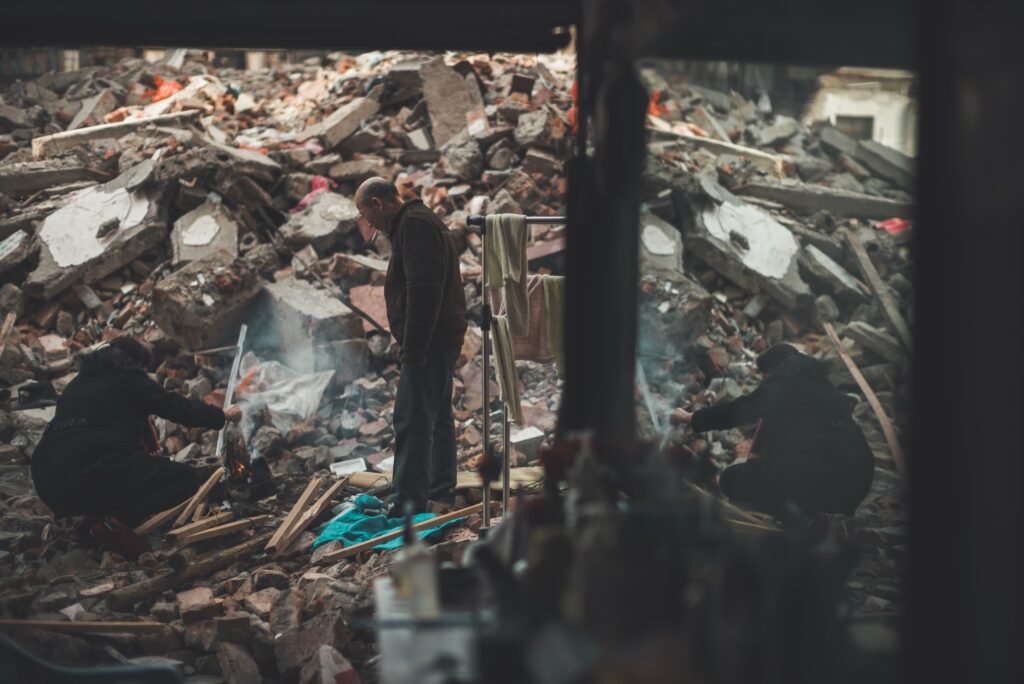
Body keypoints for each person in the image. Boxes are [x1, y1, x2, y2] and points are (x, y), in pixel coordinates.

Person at [30, 336, 242, 556]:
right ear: (134, 362)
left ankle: (87, 527)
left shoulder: (76, 385)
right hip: (91, 470)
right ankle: (114, 524)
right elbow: (176, 407)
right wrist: (222, 415)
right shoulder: (127, 377)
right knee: (185, 478)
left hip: (48, 481)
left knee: (117, 469)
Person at [355, 178, 468, 514]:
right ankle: (440, 492)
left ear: (378, 203)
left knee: (412, 418)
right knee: (437, 416)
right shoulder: (416, 221)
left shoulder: (414, 225)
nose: (369, 225)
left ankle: (407, 501)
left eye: (366, 214)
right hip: (439, 338)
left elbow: (424, 292)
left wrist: (413, 349)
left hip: (429, 343)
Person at [671, 343, 874, 523]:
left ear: (772, 370)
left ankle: (798, 521)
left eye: (765, 377)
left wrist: (692, 418)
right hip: (858, 481)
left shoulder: (784, 380)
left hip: (823, 476)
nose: (764, 382)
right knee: (772, 473)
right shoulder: (824, 387)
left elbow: (741, 410)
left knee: (732, 479)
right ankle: (812, 516)